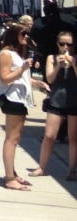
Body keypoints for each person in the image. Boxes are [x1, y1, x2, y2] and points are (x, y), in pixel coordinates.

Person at [0, 23, 38, 191]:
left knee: (16, 138)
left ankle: (12, 172)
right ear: (14, 35)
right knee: (11, 138)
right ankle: (9, 177)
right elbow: (5, 78)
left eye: (27, 34)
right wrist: (23, 68)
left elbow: (20, 77)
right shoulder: (6, 54)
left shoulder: (16, 54)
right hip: (12, 99)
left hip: (20, 99)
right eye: (23, 34)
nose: (26, 37)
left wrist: (37, 82)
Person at [30, 31, 77, 180]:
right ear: (57, 44)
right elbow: (50, 79)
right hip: (56, 100)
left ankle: (71, 170)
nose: (65, 47)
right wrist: (58, 65)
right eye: (62, 43)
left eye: (69, 44)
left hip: (73, 101)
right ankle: (42, 167)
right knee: (49, 136)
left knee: (73, 137)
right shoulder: (52, 58)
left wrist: (74, 65)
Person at [31, 0, 77, 68]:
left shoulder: (38, 23)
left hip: (56, 57)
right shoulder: (70, 19)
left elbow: (34, 40)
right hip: (63, 56)